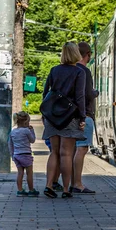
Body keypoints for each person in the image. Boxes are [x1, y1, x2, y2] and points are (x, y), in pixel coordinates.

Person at [42, 41, 86, 198]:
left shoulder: (54, 70)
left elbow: (45, 93)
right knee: (66, 154)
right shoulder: (79, 72)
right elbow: (80, 96)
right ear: (76, 54)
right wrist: (82, 116)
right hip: (70, 117)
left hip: (52, 116)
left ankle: (49, 185)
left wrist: (45, 114)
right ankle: (66, 189)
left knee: (54, 152)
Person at [72, 41, 99, 194]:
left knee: (68, 150)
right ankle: (77, 183)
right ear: (87, 54)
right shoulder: (84, 71)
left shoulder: (69, 69)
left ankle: (67, 183)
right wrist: (95, 93)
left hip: (68, 117)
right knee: (81, 149)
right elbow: (87, 94)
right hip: (84, 115)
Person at [8, 111, 39, 197]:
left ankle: (20, 190)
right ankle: (31, 190)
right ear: (26, 122)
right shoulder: (26, 131)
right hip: (26, 154)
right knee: (29, 173)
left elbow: (10, 144)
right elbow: (32, 140)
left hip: (17, 155)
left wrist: (12, 155)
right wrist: (32, 130)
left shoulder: (13, 132)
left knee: (20, 173)